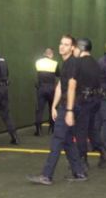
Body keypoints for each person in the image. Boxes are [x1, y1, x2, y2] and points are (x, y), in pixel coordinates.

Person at [26, 35, 87, 185]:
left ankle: (46, 175)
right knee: (67, 140)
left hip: (70, 105)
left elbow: (71, 87)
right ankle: (79, 172)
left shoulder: (72, 63)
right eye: (61, 43)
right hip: (66, 105)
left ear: (72, 48)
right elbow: (60, 85)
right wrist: (53, 106)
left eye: (66, 44)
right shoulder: (65, 63)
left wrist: (69, 111)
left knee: (57, 139)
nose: (62, 46)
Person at [71, 38, 106, 169]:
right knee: (92, 129)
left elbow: (73, 83)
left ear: (81, 48)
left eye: (75, 48)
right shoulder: (95, 62)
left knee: (80, 131)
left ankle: (83, 160)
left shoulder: (78, 63)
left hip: (83, 100)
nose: (74, 50)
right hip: (95, 100)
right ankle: (102, 151)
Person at [34, 48, 59, 136]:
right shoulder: (55, 63)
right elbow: (58, 74)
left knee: (39, 109)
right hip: (51, 88)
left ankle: (38, 130)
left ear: (45, 54)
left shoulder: (38, 62)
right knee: (52, 108)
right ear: (51, 54)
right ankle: (52, 128)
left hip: (41, 88)